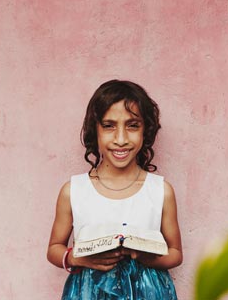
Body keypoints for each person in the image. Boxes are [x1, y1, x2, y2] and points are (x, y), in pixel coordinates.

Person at [47, 80, 182, 299]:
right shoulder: (74, 191)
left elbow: (175, 253)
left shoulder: (160, 191)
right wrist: (76, 258)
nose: (121, 139)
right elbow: (54, 247)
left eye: (132, 125)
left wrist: (146, 257)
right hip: (88, 293)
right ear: (95, 130)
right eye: (109, 125)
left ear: (145, 130)